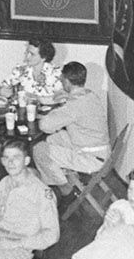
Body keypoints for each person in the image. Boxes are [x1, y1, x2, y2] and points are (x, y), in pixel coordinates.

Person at [32, 62, 108, 190]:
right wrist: (66, 98)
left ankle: (64, 188)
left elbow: (44, 126)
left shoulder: (73, 106)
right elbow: (78, 109)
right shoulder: (90, 95)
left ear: (67, 81)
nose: (61, 83)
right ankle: (65, 175)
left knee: (39, 150)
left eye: (62, 80)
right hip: (100, 150)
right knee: (55, 138)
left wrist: (56, 111)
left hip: (91, 159)